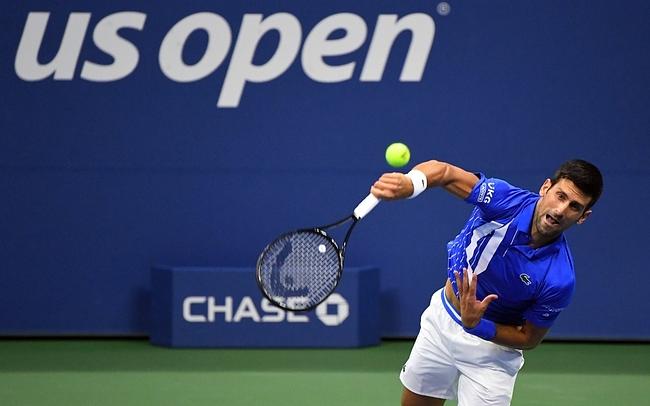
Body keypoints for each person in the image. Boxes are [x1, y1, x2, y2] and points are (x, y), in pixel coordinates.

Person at [369, 159, 603, 406]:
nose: (560, 210)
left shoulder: (559, 278)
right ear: (546, 187)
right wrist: (412, 182)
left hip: (493, 354)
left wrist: (477, 326)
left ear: (583, 217)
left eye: (574, 206)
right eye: (560, 196)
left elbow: (529, 338)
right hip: (442, 321)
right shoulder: (504, 200)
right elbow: (446, 173)